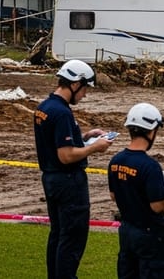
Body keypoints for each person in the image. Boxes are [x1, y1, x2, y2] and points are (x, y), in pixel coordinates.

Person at [33, 60, 114, 279]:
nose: (85, 94)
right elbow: (66, 155)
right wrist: (95, 147)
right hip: (68, 182)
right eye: (86, 88)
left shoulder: (44, 108)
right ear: (76, 84)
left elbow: (56, 142)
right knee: (72, 238)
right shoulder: (62, 113)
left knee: (58, 235)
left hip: (51, 179)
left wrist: (85, 137)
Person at [107, 102, 164, 279]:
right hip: (149, 234)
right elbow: (157, 206)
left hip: (127, 230)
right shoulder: (150, 166)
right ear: (151, 131)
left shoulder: (116, 160)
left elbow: (113, 195)